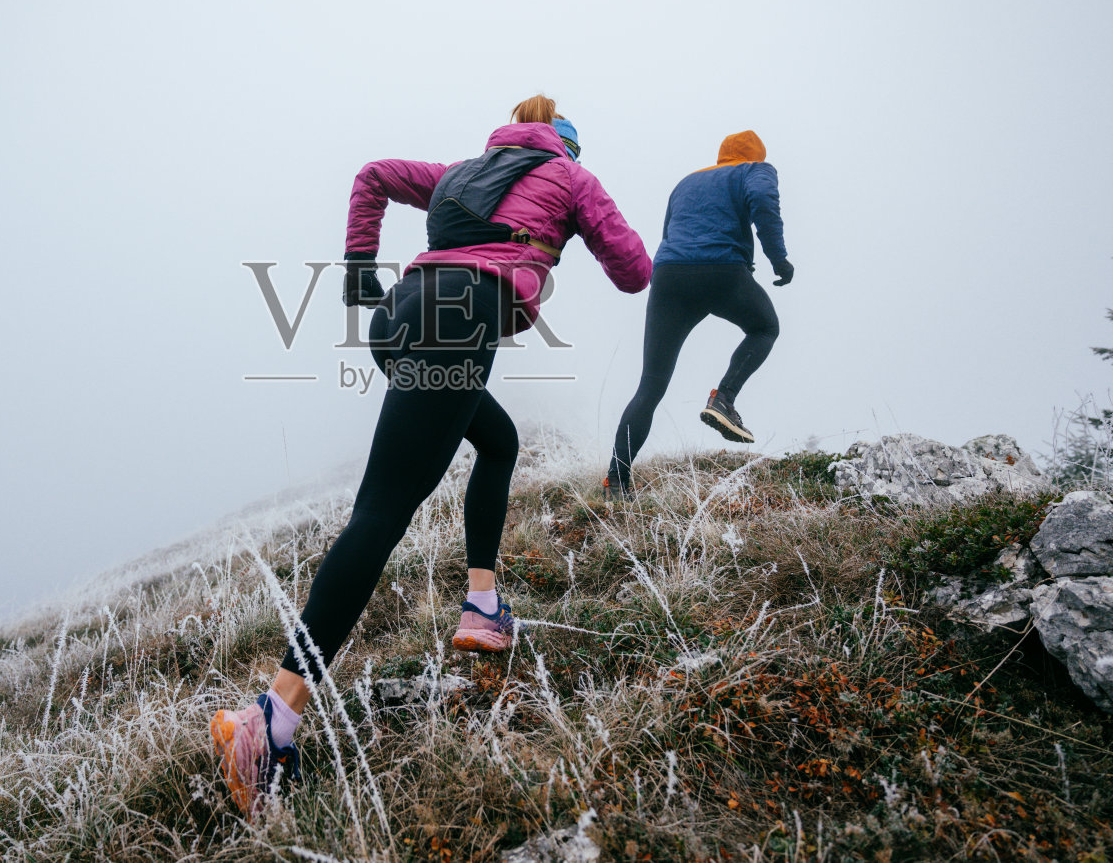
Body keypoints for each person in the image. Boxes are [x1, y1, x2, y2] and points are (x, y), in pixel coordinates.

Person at [211, 94, 651, 815]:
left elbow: (374, 173)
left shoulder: (459, 172)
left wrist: (360, 270)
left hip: (403, 313)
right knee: (382, 513)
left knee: (498, 441)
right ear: (564, 143)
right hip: (461, 315)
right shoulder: (570, 177)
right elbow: (633, 271)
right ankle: (268, 723)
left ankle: (482, 606)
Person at [604, 129, 792, 496]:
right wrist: (778, 258)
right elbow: (764, 202)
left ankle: (617, 480)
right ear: (755, 155)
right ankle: (724, 398)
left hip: (671, 277)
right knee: (765, 327)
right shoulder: (755, 170)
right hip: (722, 271)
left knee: (650, 386)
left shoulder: (685, 183)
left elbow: (670, 231)